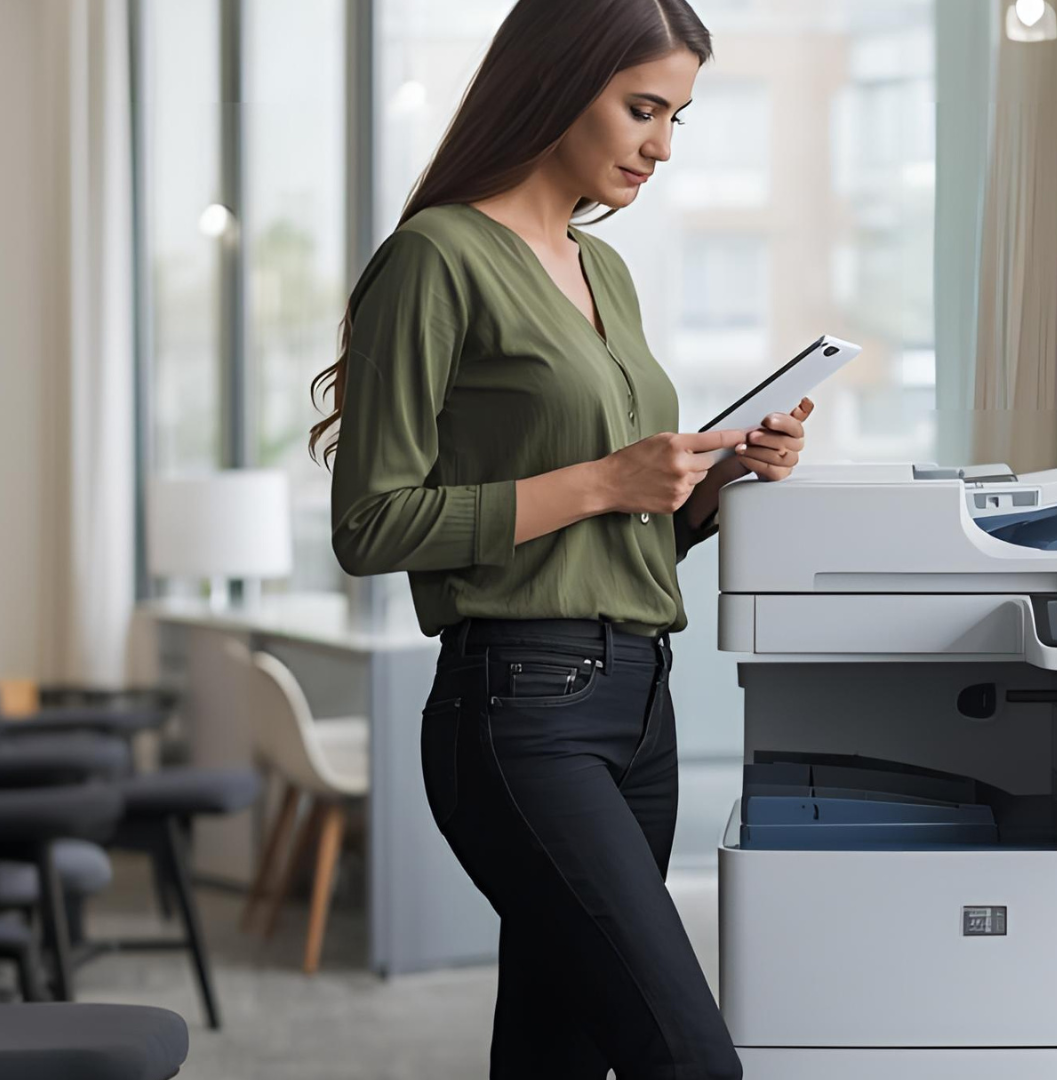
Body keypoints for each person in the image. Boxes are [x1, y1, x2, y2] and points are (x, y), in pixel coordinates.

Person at [310, 2, 797, 1075]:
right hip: (522, 713)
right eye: (642, 109)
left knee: (558, 1049)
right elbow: (369, 522)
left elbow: (623, 538)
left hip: (641, 704)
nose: (662, 146)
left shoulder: (601, 271)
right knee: (685, 1056)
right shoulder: (435, 257)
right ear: (555, 83)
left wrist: (713, 487)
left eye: (677, 118)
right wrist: (602, 479)